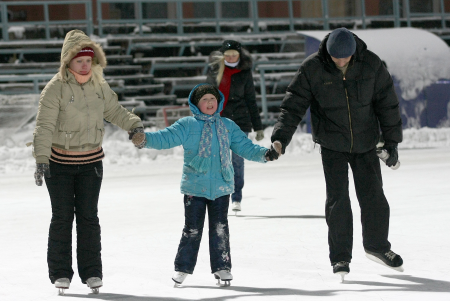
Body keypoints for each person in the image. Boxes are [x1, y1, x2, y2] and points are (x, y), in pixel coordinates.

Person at [270, 28, 404, 280]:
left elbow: (388, 103)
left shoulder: (371, 64)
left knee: (374, 197)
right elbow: (293, 104)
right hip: (332, 144)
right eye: (336, 57)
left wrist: (392, 142)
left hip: (366, 142)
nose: (341, 62)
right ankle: (340, 256)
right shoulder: (312, 68)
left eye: (345, 57)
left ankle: (377, 247)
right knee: (338, 200)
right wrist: (280, 137)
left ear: (354, 51)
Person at [130, 83, 280, 286]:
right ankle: (182, 268)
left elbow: (245, 147)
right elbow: (165, 138)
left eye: (212, 99)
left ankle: (222, 267)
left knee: (220, 228)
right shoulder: (187, 125)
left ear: (218, 102)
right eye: (204, 100)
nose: (209, 103)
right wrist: (144, 139)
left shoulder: (227, 125)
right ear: (196, 103)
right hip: (195, 187)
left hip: (221, 187)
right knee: (192, 229)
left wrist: (265, 154)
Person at [32, 29, 144, 294]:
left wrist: (134, 126)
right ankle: (60, 273)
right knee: (61, 218)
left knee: (88, 217)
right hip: (59, 163)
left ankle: (92, 272)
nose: (85, 64)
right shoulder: (55, 88)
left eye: (88, 60)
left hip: (91, 162)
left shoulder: (99, 86)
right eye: (79, 60)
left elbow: (115, 111)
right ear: (67, 61)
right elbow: (44, 126)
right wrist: (40, 159)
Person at [206, 40, 264, 213]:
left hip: (240, 120)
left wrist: (258, 126)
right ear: (223, 55)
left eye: (234, 54)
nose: (231, 57)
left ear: (239, 55)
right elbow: (205, 96)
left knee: (237, 161)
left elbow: (251, 100)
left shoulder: (245, 73)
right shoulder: (215, 70)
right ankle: (220, 195)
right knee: (219, 159)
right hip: (219, 119)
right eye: (228, 54)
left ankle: (236, 196)